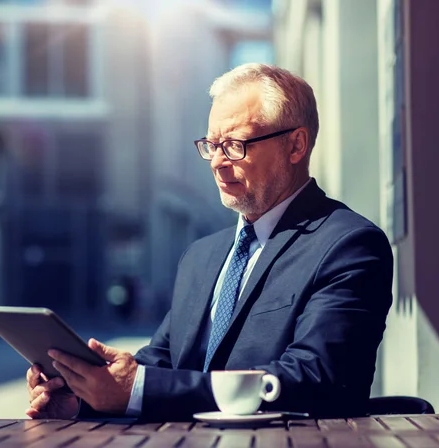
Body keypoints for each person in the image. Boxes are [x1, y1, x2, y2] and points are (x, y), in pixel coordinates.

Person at [26, 63, 393, 422]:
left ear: (295, 145)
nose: (217, 162)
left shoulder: (349, 245)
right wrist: (84, 394)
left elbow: (316, 379)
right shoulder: (201, 256)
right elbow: (163, 363)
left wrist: (138, 388)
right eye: (212, 144)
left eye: (234, 145)